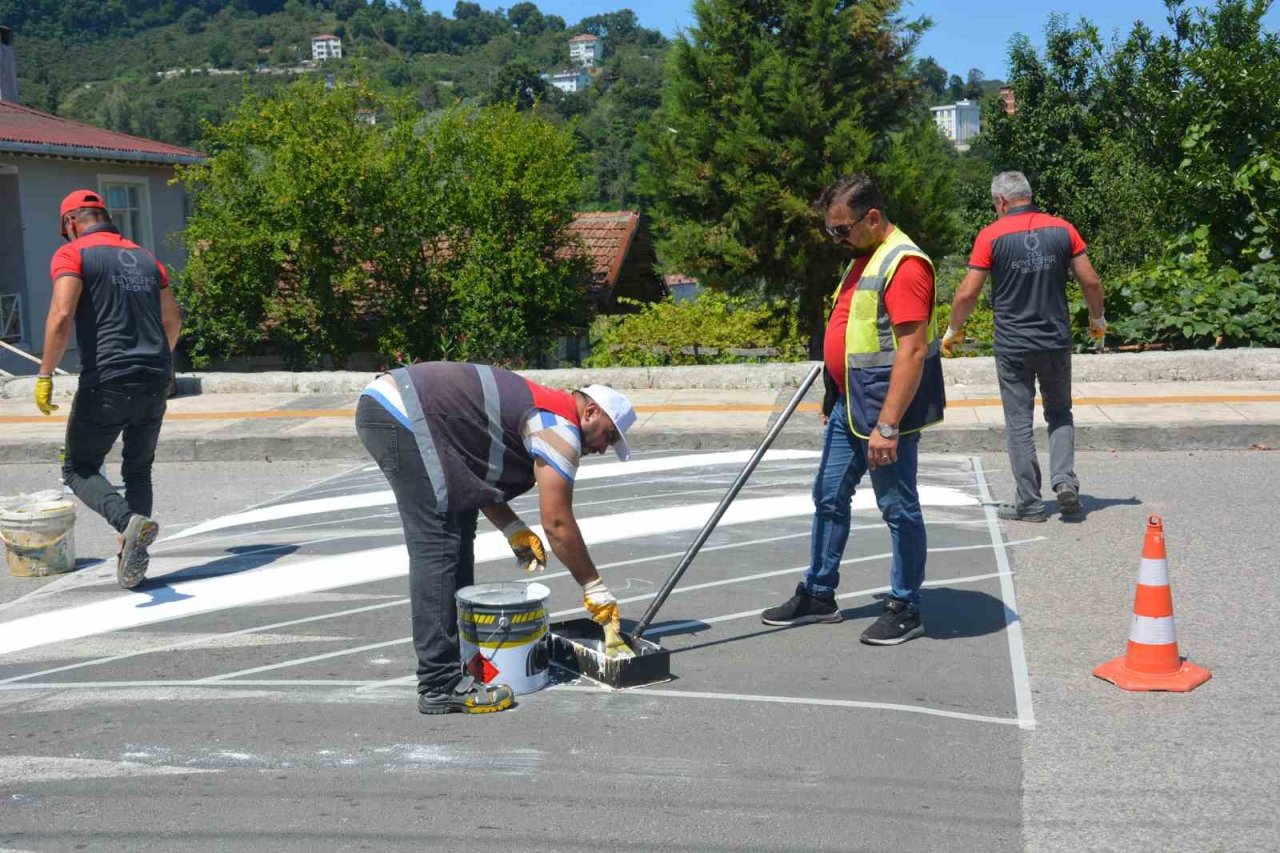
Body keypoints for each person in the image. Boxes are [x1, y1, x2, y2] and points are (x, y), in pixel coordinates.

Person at [356, 361, 636, 714]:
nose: (604, 448)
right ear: (591, 412)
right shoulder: (558, 427)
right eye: (608, 436)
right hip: (402, 412)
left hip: (409, 409)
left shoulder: (545, 412)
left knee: (458, 525)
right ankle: (439, 683)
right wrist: (593, 585)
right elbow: (557, 523)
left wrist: (511, 526)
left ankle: (459, 661)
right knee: (439, 541)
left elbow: (471, 477)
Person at [763, 174, 945, 646]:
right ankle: (819, 594)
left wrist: (889, 425)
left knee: (898, 507)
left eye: (841, 229)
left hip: (884, 411)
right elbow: (854, 335)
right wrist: (833, 391)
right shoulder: (865, 257)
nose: (835, 238)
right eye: (830, 229)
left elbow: (910, 351)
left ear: (873, 218)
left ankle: (906, 607)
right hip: (851, 404)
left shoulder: (904, 265)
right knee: (828, 494)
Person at [36, 190, 182, 589]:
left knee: (78, 468)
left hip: (108, 377)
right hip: (156, 375)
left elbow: (62, 314)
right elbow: (172, 321)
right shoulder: (147, 258)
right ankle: (131, 553)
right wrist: (156, 363)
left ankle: (127, 521)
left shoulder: (73, 254)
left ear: (71, 222)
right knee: (138, 468)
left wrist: (46, 374)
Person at [942, 171, 1106, 521]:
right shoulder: (1063, 229)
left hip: (1013, 345)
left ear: (1001, 201)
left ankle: (1029, 503)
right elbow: (1091, 281)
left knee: (1019, 422)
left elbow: (967, 293)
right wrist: (1098, 319)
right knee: (1059, 412)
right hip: (1055, 341)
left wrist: (954, 329)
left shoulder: (991, 236)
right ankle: (1065, 481)